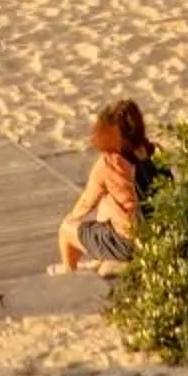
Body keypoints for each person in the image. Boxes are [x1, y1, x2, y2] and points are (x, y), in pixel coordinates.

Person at [55, 101, 159, 274]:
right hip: (160, 235)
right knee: (109, 204)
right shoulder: (152, 152)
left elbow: (87, 203)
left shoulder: (109, 164)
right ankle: (99, 260)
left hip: (130, 244)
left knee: (66, 231)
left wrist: (71, 218)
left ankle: (69, 275)